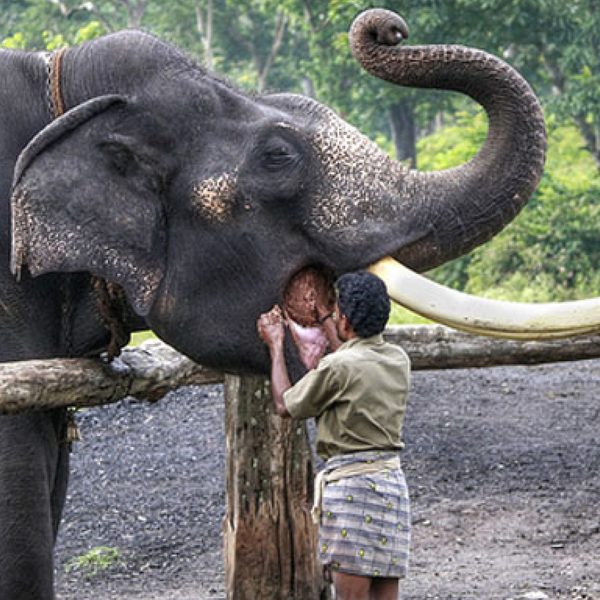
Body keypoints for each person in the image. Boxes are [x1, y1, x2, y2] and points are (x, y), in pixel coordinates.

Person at [257, 271, 411, 600]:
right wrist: (328, 318)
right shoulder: (398, 360)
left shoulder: (337, 367)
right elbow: (353, 356)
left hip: (352, 491)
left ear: (346, 319)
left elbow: (285, 405)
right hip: (391, 486)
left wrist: (276, 345)